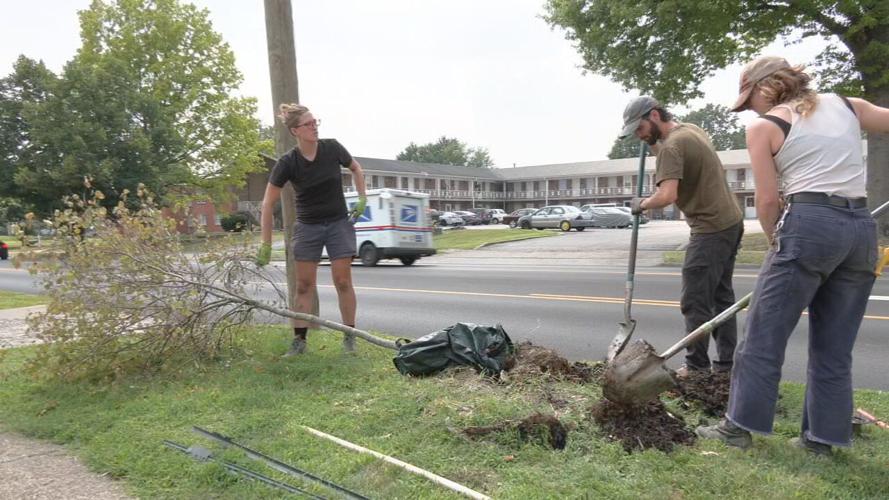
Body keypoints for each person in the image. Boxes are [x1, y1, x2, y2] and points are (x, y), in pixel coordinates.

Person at [696, 56, 889, 455]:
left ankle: (738, 429)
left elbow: (767, 202)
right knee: (834, 347)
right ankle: (821, 441)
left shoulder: (765, 127)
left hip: (808, 221)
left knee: (764, 336)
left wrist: (776, 244)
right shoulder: (849, 106)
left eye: (750, 98)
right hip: (859, 231)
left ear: (768, 87)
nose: (750, 108)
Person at [619, 96, 745, 378]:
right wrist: (651, 143)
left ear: (653, 116)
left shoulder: (672, 148)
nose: (639, 137)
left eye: (639, 130)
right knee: (721, 298)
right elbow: (667, 152)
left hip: (710, 228)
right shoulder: (690, 130)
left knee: (695, 300)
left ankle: (697, 367)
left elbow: (667, 195)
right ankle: (726, 367)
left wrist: (641, 204)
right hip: (731, 222)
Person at [256, 104, 367, 356]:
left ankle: (349, 338)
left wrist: (362, 198)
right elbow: (267, 202)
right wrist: (264, 243)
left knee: (342, 281)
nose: (314, 126)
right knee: (304, 285)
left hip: (339, 223)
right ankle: (299, 342)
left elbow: (357, 168)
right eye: (308, 123)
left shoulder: (332, 148)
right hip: (308, 227)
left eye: (315, 121)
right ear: (295, 131)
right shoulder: (288, 162)